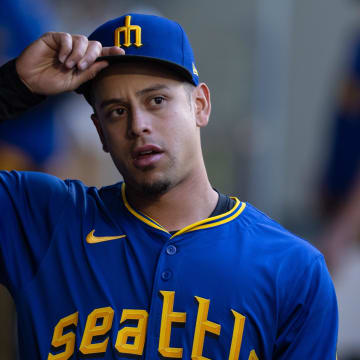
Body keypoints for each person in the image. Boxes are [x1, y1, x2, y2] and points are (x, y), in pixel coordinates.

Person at [0, 13, 338, 359]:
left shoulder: (292, 269)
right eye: (116, 111)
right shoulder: (41, 219)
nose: (138, 125)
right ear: (100, 132)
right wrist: (14, 86)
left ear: (200, 106)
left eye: (156, 100)